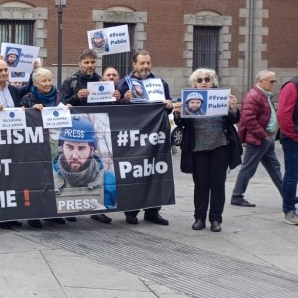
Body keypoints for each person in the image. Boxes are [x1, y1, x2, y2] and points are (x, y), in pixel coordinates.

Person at [174, 69, 240, 232]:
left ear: (213, 82)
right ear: (194, 84)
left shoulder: (221, 98)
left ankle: (216, 219)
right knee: (201, 184)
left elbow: (233, 120)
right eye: (199, 80)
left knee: (218, 183)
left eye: (207, 79)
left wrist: (233, 108)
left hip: (220, 146)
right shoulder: (189, 99)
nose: (203, 82)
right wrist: (177, 112)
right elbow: (181, 123)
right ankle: (199, 217)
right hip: (197, 149)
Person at [116, 50, 174, 225]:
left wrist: (170, 105)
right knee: (134, 172)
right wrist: (124, 101)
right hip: (133, 137)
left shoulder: (160, 84)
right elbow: (115, 108)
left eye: (148, 62)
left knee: (155, 171)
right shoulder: (123, 84)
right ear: (134, 64)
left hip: (155, 137)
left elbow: (167, 107)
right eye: (142, 63)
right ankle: (131, 211)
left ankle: (152, 211)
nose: (145, 66)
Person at [231, 70, 287, 208]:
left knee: (274, 167)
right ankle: (237, 196)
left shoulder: (264, 95)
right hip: (259, 139)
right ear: (261, 81)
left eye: (275, 81)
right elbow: (248, 119)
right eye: (271, 81)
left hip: (267, 138)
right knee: (248, 168)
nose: (274, 83)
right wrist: (263, 135)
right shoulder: (254, 96)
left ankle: (287, 194)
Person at [20, 67, 66, 226]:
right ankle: (34, 214)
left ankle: (52, 212)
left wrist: (69, 109)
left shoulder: (59, 96)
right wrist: (31, 111)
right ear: (35, 83)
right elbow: (22, 118)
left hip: (55, 143)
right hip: (35, 145)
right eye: (43, 81)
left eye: (49, 80)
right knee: (36, 180)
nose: (48, 84)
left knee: (54, 178)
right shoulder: (28, 98)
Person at [53, 115, 117, 219]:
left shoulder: (108, 180)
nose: (74, 156)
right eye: (69, 147)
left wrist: (106, 208)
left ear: (91, 149)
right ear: (62, 147)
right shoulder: (47, 177)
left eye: (82, 148)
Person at [277, 60, 298, 226]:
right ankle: (289, 210)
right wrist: (293, 135)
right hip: (294, 138)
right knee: (292, 174)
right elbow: (283, 116)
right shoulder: (292, 86)